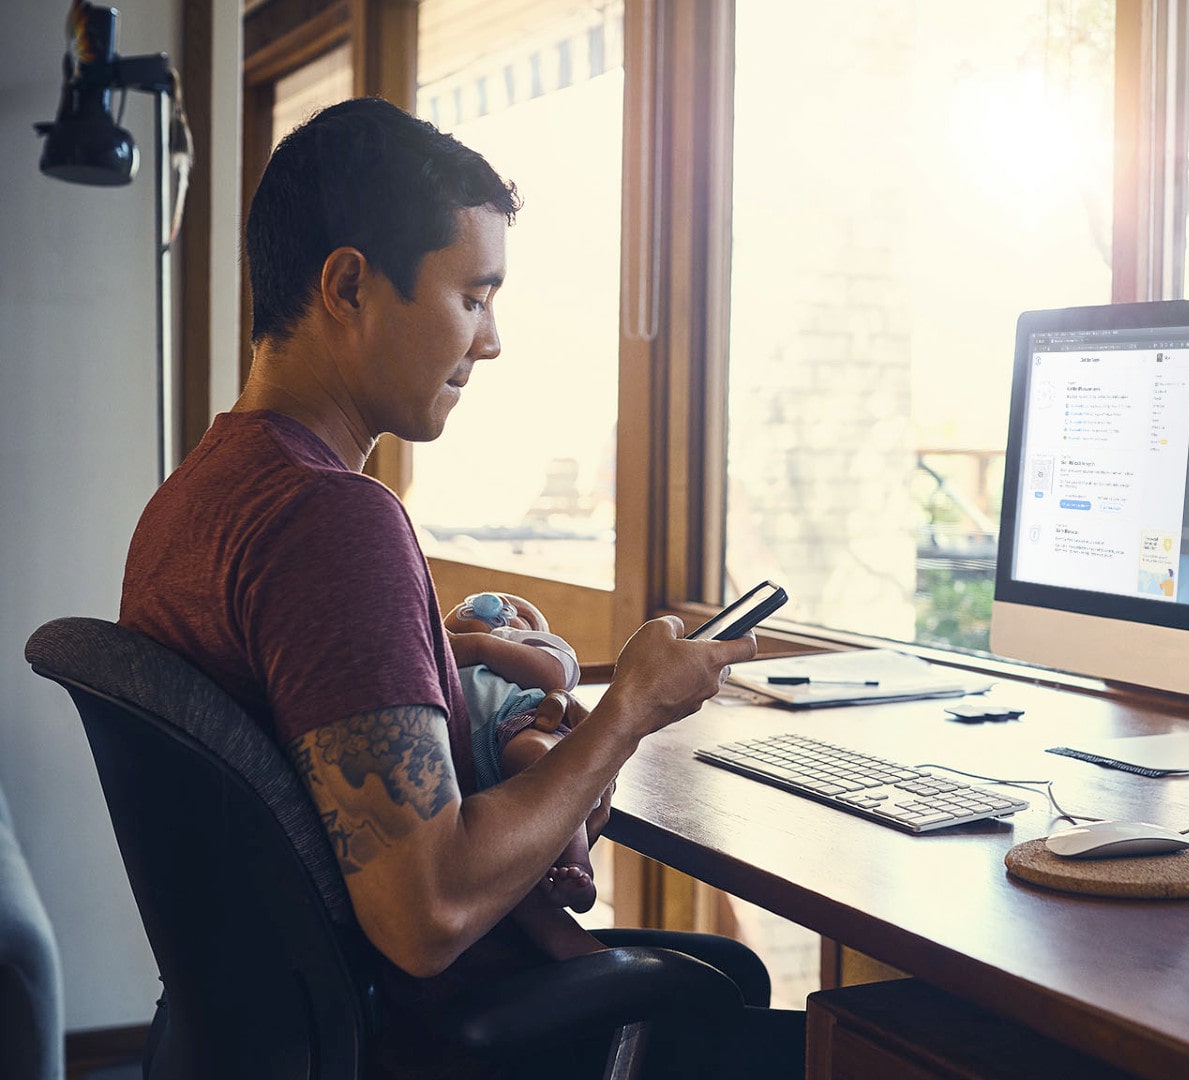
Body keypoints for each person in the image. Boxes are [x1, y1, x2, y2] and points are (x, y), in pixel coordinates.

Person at [119, 97, 801, 1079]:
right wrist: (632, 708)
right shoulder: (333, 521)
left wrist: (427, 656)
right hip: (414, 1033)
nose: (490, 341)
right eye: (474, 295)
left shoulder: (195, 499)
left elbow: (284, 720)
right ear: (349, 285)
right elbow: (425, 915)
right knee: (752, 1005)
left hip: (272, 1029)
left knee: (722, 967)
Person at [443, 590, 604, 960]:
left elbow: (552, 676)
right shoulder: (447, 649)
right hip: (470, 761)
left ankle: (577, 863)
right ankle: (569, 944)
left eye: (519, 613)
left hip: (519, 723)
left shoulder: (525, 647)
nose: (497, 608)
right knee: (508, 875)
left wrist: (484, 644)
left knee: (539, 758)